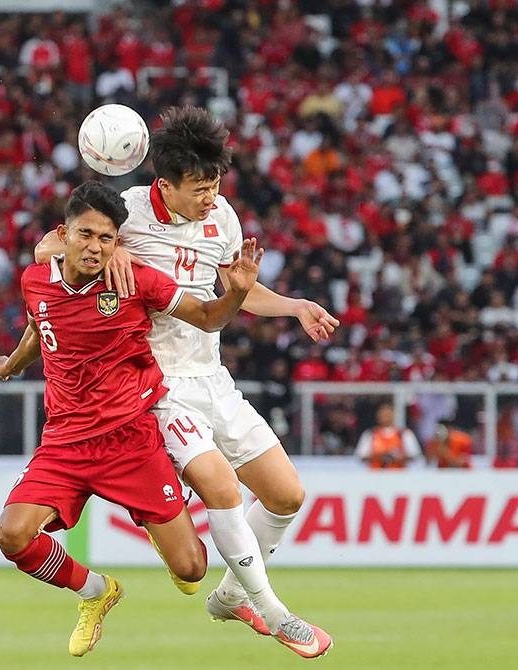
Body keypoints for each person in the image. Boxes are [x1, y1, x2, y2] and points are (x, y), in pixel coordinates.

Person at [35, 106, 334, 657]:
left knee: (287, 495)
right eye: (199, 188)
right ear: (164, 185)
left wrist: (292, 306)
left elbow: (236, 290)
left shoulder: (224, 218)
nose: (210, 197)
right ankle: (273, 610)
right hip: (153, 385)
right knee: (221, 489)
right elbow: (52, 249)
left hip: (211, 374)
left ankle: (229, 597)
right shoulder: (123, 212)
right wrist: (114, 247)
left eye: (216, 184)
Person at [0, 180, 263, 657]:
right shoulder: (35, 280)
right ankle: (95, 591)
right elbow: (42, 329)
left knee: (192, 570)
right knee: (12, 535)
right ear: (63, 234)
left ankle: (162, 520)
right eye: (85, 234)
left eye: (106, 238)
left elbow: (206, 317)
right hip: (65, 443)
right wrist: (13, 363)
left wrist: (236, 295)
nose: (95, 247)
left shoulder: (137, 281)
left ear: (119, 242)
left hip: (131, 442)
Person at [354, 401, 422, 469]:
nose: (385, 415)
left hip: (399, 475)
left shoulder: (404, 434)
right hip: (375, 476)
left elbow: (415, 456)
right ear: (377, 414)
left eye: (388, 412)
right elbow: (361, 456)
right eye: (382, 412)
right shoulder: (370, 434)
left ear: (393, 414)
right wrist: (379, 457)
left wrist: (397, 458)